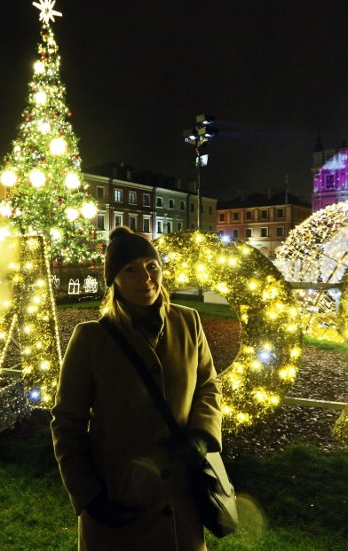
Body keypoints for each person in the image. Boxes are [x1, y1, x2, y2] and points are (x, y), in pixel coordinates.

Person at [51, 226, 222, 550]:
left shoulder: (188, 322)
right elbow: (67, 423)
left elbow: (208, 385)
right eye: (131, 269)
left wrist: (202, 434)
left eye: (151, 266)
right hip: (119, 504)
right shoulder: (91, 339)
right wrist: (89, 496)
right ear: (113, 279)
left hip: (181, 506)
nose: (146, 277)